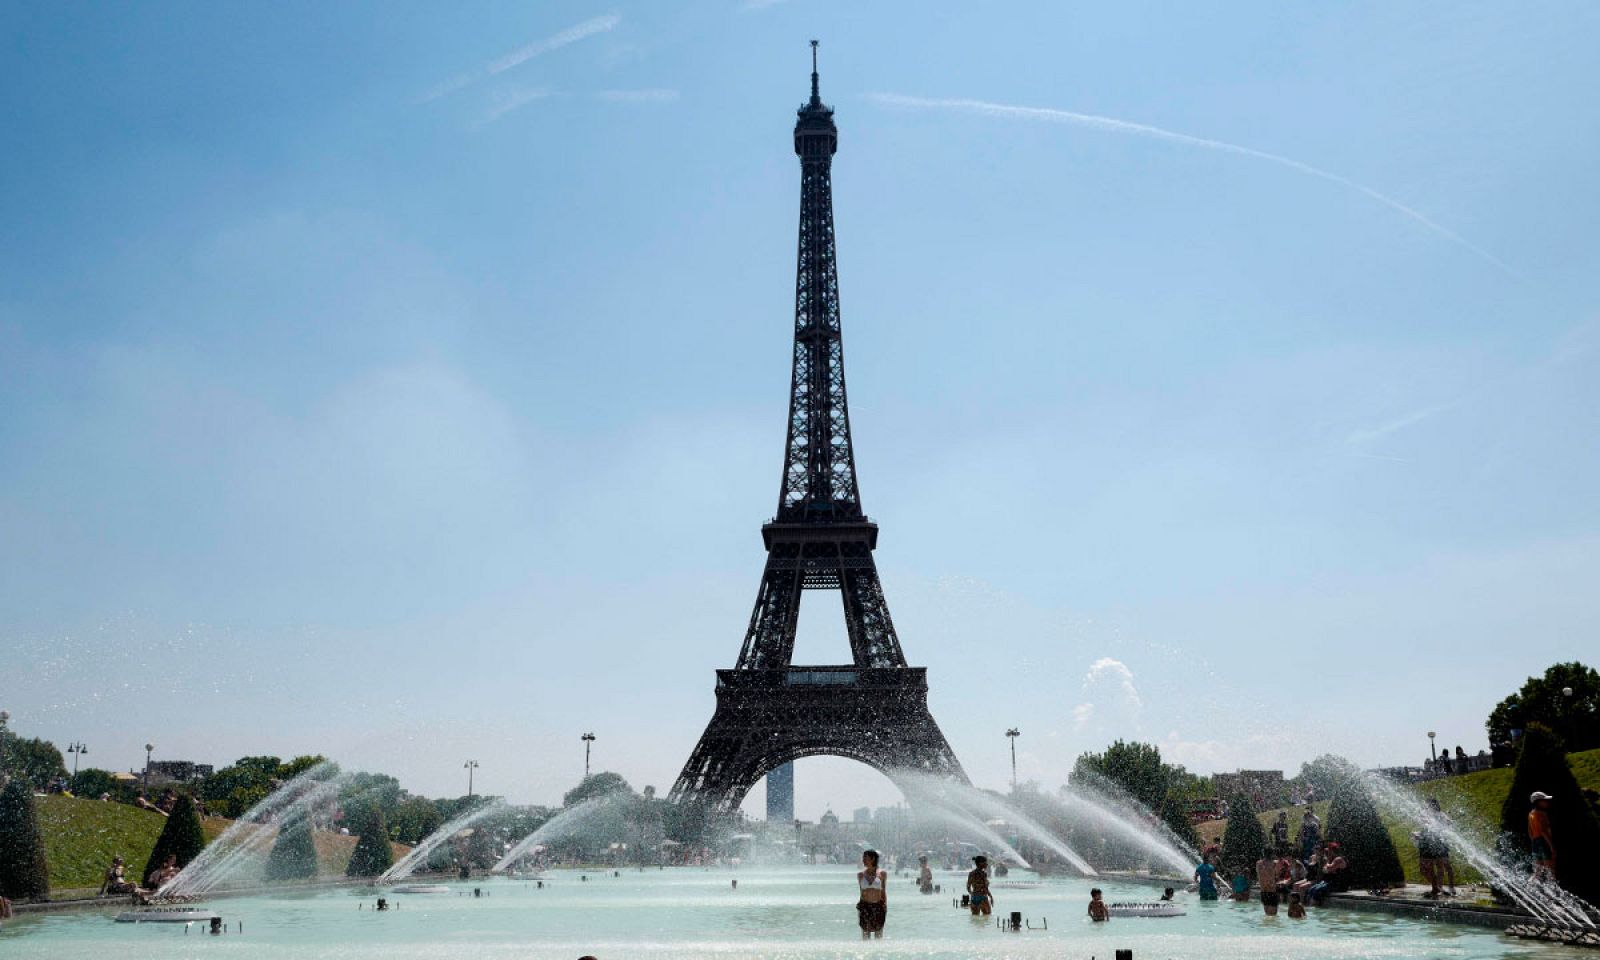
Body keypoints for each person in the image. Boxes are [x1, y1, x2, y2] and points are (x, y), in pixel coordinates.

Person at [856, 849, 887, 939]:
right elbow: (861, 892)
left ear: (872, 859)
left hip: (878, 906)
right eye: (863, 858)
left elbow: (883, 892)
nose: (863, 860)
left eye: (865, 858)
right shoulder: (860, 875)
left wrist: (885, 907)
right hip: (865, 906)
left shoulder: (882, 874)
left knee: (878, 934)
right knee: (865, 935)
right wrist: (860, 908)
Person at [1529, 791, 1556, 882]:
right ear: (1538, 802)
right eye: (1544, 800)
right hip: (1544, 842)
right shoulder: (1541, 814)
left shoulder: (1531, 814)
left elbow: (1530, 832)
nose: (1547, 802)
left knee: (1538, 871)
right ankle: (1552, 893)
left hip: (1535, 842)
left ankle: (1529, 887)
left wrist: (1535, 843)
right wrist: (1551, 846)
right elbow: (1544, 831)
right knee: (1550, 871)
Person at [1255, 848, 1281, 916]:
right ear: (1272, 854)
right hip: (1273, 890)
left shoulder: (1258, 863)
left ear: (1264, 853)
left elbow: (1258, 874)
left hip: (1263, 890)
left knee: (1267, 915)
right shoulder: (1275, 863)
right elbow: (1277, 875)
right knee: (1274, 916)